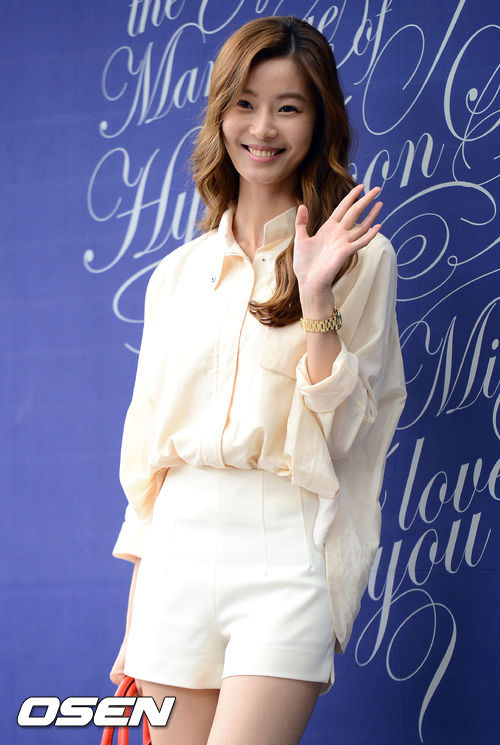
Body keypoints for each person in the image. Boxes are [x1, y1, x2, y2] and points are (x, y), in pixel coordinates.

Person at [109, 15, 406, 745]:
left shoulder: (362, 257)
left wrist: (317, 296)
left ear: (319, 120)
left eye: (288, 107)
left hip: (286, 553)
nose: (263, 128)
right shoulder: (176, 275)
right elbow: (150, 469)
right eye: (245, 103)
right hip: (175, 561)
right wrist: (135, 621)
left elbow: (345, 434)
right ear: (220, 114)